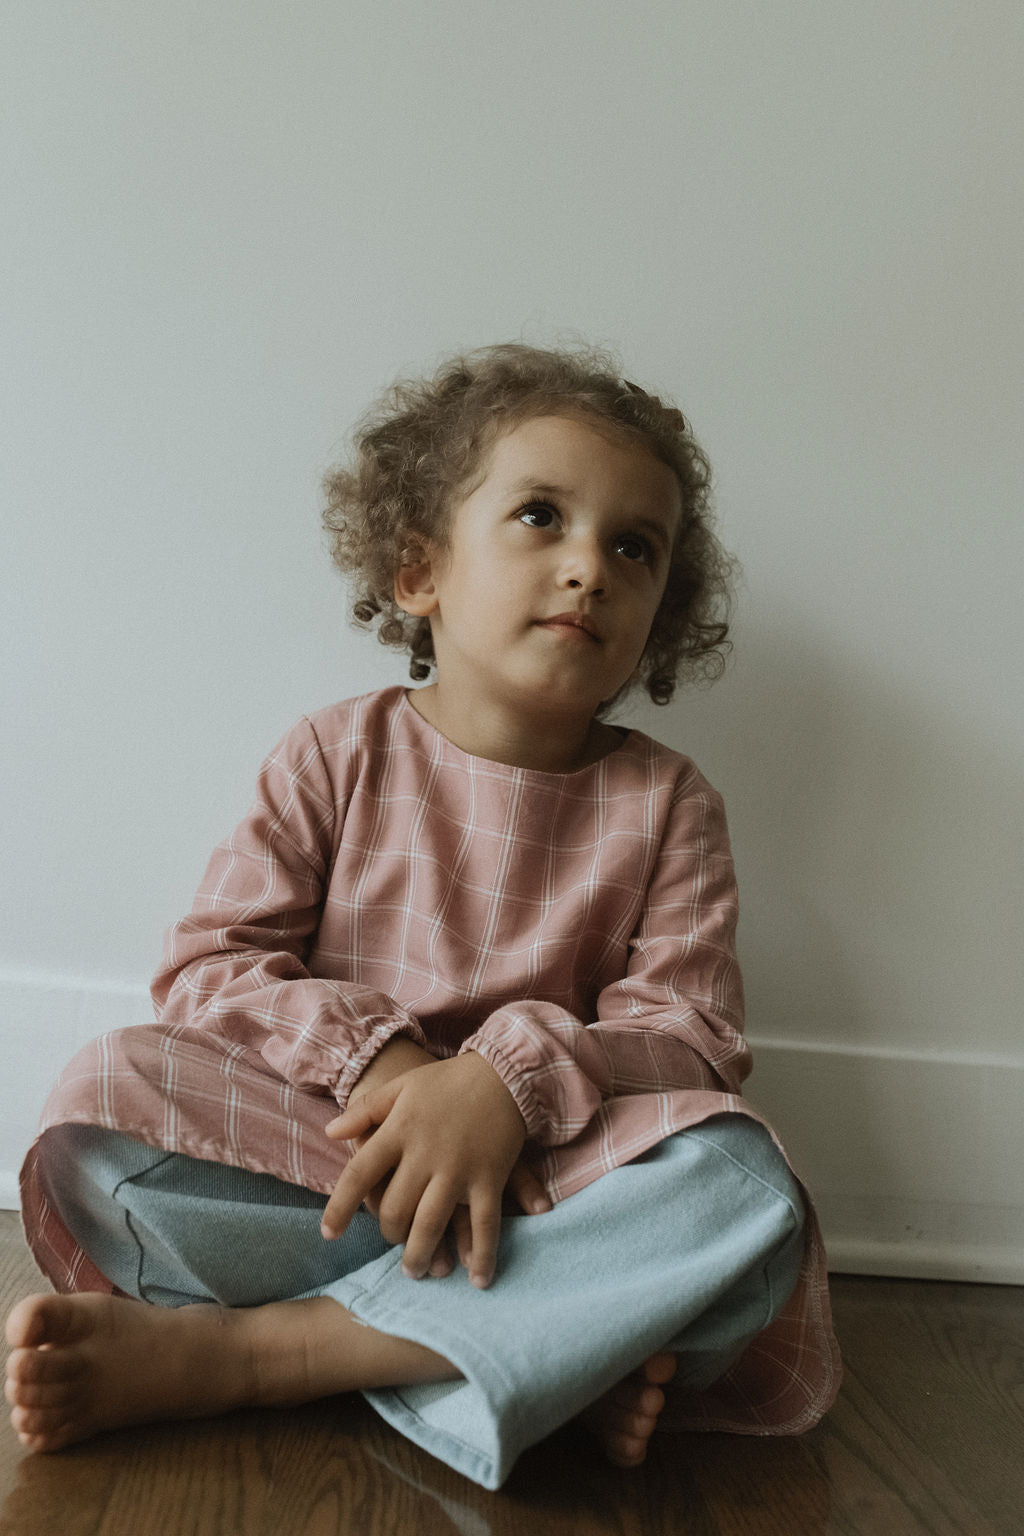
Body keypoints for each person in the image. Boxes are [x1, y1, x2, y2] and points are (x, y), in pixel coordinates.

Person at [5, 343, 841, 1491]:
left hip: (553, 1177)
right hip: (338, 1165)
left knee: (741, 1190)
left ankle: (270, 1354)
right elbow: (211, 966)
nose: (588, 566)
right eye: (541, 517)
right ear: (418, 570)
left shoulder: (669, 803)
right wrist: (389, 1070)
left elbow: (692, 1036)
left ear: (661, 613)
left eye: (632, 546)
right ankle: (545, 1355)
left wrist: (507, 1081)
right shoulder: (333, 753)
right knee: (104, 1103)